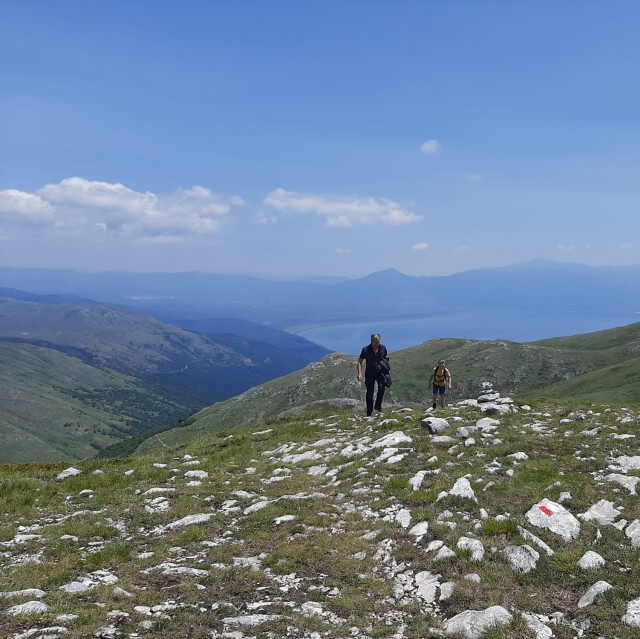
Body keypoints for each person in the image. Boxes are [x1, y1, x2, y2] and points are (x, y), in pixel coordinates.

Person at [357, 333, 389, 416]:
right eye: (375, 342)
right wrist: (360, 373)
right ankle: (369, 412)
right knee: (370, 392)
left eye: (378, 341)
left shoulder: (383, 348)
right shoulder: (365, 350)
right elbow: (360, 362)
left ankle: (378, 407)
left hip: (380, 372)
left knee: (382, 388)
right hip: (370, 373)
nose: (376, 343)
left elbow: (384, 358)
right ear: (371, 341)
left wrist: (386, 368)